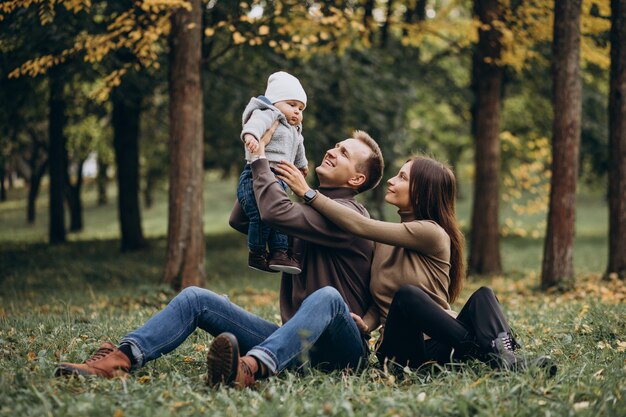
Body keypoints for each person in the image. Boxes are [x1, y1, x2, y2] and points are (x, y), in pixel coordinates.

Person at [54, 126, 386, 387]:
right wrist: (263, 156)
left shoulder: (348, 216)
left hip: (344, 353)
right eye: (336, 145)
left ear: (357, 179)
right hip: (297, 345)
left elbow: (274, 211)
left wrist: (261, 166)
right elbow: (242, 218)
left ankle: (251, 369)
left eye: (343, 153)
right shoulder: (309, 210)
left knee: (327, 297)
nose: (332, 150)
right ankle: (121, 359)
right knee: (196, 298)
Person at [276, 155, 556, 375]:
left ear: (422, 193)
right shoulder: (383, 241)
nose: (390, 181)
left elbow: (360, 225)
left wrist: (308, 193)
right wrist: (367, 324)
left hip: (443, 343)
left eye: (402, 178)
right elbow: (380, 301)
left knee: (483, 294)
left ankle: (507, 357)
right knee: (407, 296)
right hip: (400, 353)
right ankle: (485, 352)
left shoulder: (431, 233)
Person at [237, 71, 309, 274]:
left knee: (279, 216)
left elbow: (299, 146)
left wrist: (301, 164)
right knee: (260, 216)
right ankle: (257, 253)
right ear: (275, 101)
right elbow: (255, 124)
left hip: (278, 180)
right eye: (292, 105)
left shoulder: (295, 129)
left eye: (301, 108)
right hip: (255, 177)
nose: (297, 112)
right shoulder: (268, 113)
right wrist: (251, 136)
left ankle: (280, 253)